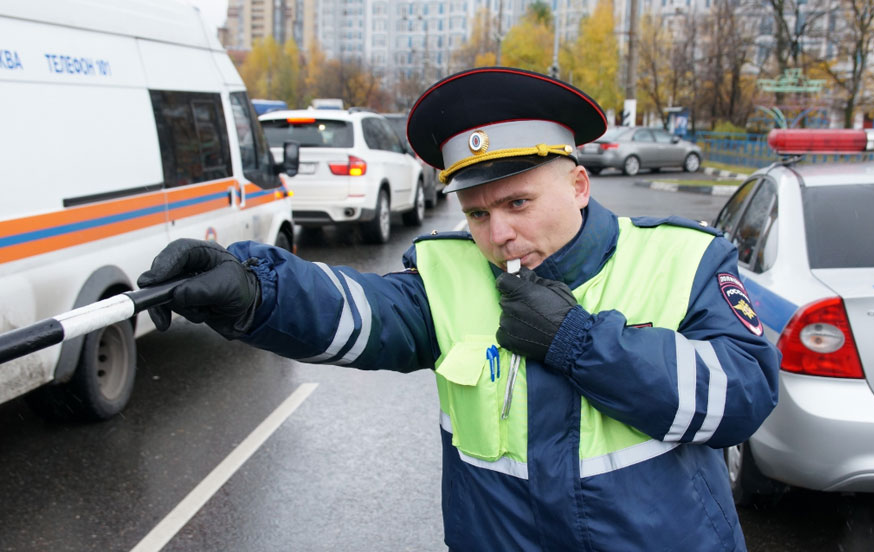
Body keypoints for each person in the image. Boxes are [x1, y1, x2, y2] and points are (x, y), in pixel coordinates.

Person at [139, 67, 780, 551]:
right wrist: (253, 286)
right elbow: (359, 312)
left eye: (519, 203)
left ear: (579, 185)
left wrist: (581, 343)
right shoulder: (451, 274)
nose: (497, 233)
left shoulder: (682, 260)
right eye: (477, 212)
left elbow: (745, 394)